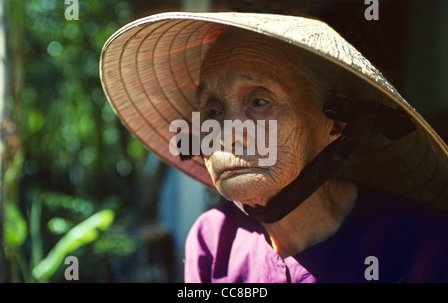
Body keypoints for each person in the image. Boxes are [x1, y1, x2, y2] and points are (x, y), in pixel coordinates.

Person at [100, 12, 448, 283]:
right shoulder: (213, 240)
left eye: (259, 101)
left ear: (336, 123)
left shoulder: (422, 249)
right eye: (213, 111)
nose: (226, 135)